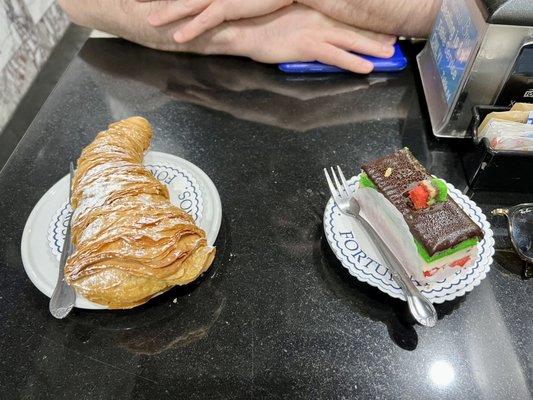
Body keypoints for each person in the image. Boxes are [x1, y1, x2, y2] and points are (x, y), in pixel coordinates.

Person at [58, 0, 441, 73]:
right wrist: (246, 33)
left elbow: (466, 10)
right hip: (168, 84)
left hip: (397, 86)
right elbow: (76, 3)